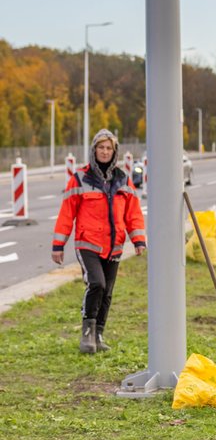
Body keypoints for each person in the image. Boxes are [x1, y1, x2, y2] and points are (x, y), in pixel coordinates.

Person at [51, 129, 146, 354]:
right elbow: (67, 214)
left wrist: (138, 239)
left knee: (108, 291)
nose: (104, 151)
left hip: (115, 245)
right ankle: (87, 334)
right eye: (101, 147)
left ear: (114, 152)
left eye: (108, 148)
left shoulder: (123, 179)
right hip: (88, 243)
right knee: (97, 284)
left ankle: (99, 334)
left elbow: (133, 213)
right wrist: (58, 244)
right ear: (94, 150)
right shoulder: (80, 178)